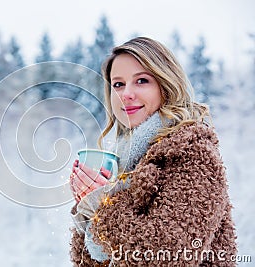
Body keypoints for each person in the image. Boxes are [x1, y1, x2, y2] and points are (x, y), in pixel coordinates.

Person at [69, 37, 237, 266]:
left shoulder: (193, 154)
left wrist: (102, 204)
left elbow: (167, 256)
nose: (126, 93)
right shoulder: (123, 162)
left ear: (165, 86)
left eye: (141, 81)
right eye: (118, 84)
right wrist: (86, 210)